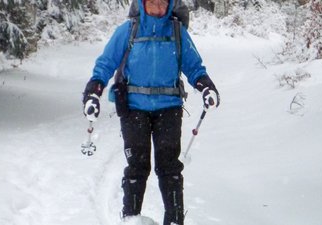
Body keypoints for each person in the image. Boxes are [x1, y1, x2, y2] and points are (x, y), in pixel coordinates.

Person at [82, 0, 220, 224]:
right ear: (142, 4)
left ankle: (174, 220)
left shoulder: (177, 32)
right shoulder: (128, 30)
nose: (157, 8)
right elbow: (106, 63)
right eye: (152, 3)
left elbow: (194, 66)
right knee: (137, 165)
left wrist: (206, 86)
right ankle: (131, 218)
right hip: (134, 109)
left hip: (169, 108)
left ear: (170, 5)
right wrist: (94, 90)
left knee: (169, 167)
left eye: (161, 4)